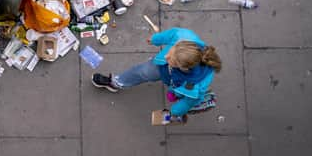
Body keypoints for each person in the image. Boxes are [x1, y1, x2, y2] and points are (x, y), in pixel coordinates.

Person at [91, 27, 222, 117]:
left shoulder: (196, 85)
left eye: (172, 60)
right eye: (169, 52)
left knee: (184, 95)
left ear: (183, 68)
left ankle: (182, 94)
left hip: (176, 81)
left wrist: (176, 111)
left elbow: (189, 101)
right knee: (141, 71)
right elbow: (171, 34)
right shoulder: (183, 37)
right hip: (164, 71)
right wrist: (155, 39)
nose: (166, 57)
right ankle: (117, 83)